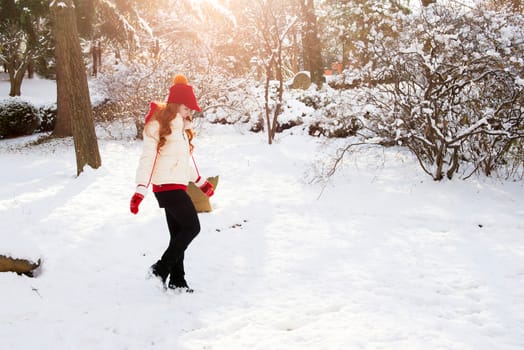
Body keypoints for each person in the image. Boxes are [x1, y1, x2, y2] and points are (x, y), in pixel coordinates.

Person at [129, 74, 214, 293]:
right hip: (166, 187)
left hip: (178, 185)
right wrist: (140, 190)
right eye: (187, 108)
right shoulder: (157, 125)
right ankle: (160, 268)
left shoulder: (181, 131)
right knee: (192, 227)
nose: (190, 112)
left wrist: (201, 182)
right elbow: (147, 158)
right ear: (176, 105)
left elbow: (184, 162)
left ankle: (177, 281)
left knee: (178, 235)